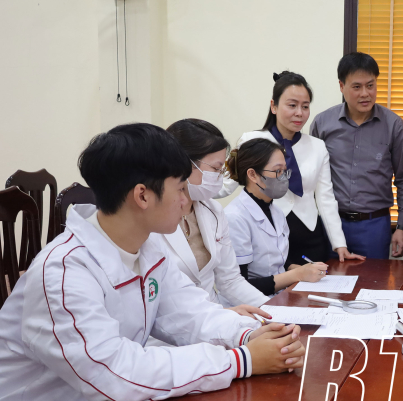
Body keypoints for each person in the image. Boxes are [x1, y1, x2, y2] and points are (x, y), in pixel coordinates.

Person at [0, 124, 306, 401]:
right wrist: (241, 360)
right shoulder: (65, 272)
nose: (186, 201)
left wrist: (252, 334)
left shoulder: (148, 247)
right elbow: (116, 372)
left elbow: (190, 313)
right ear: (143, 196)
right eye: (180, 189)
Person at [216, 72, 364, 264]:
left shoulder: (318, 146)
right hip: (265, 235)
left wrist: (339, 244)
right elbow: (225, 185)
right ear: (274, 106)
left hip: (309, 235)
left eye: (305, 106)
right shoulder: (252, 140)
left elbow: (325, 198)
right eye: (292, 105)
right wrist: (189, 191)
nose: (299, 113)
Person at [156, 119, 271, 318]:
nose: (220, 177)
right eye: (216, 169)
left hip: (215, 318)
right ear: (184, 164)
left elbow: (230, 281)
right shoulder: (153, 219)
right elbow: (162, 300)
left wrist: (272, 311)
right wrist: (222, 316)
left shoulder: (213, 211)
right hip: (175, 326)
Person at [310, 52, 403, 259]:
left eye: (370, 85)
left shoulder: (394, 125)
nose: (365, 93)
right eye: (356, 87)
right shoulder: (322, 124)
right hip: (331, 223)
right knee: (329, 279)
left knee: (373, 279)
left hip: (374, 226)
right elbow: (311, 177)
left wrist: (402, 227)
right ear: (342, 86)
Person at [224, 137, 328, 296]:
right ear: (253, 174)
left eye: (285, 171)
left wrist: (301, 269)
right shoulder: (235, 217)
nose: (284, 177)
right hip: (249, 303)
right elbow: (238, 286)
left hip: (278, 296)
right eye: (277, 171)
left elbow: (277, 262)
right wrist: (297, 275)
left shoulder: (276, 212)